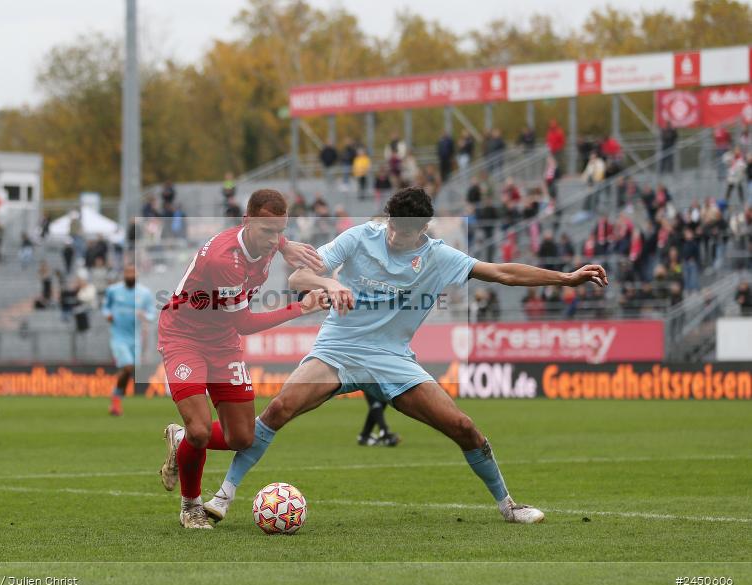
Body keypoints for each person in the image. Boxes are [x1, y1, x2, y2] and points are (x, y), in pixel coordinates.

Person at [203, 187, 608, 526]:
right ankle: (223, 495)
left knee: (464, 427)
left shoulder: (439, 257)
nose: (396, 236)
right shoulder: (360, 237)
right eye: (393, 226)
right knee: (279, 408)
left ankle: (509, 505)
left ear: (423, 229)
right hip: (339, 349)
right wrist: (329, 283)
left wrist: (566, 278)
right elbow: (298, 275)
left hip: (392, 359)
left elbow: (503, 273)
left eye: (406, 231)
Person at [156, 189, 328, 529]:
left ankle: (179, 440)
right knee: (200, 430)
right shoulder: (225, 260)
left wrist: (285, 244)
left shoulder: (267, 240)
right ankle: (191, 506)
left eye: (280, 231)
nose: (273, 239)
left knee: (242, 437)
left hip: (222, 341)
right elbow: (244, 324)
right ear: (246, 221)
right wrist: (301, 307)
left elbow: (270, 237)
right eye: (268, 231)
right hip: (184, 336)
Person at [101, 264, 155, 417]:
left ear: (137, 275)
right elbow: (105, 307)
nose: (130, 275)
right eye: (127, 272)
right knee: (127, 366)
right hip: (119, 337)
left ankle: (116, 399)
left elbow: (151, 313)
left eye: (133, 272)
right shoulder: (113, 291)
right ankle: (116, 399)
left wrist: (144, 315)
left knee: (129, 370)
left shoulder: (144, 293)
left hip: (135, 338)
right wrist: (108, 315)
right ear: (123, 274)